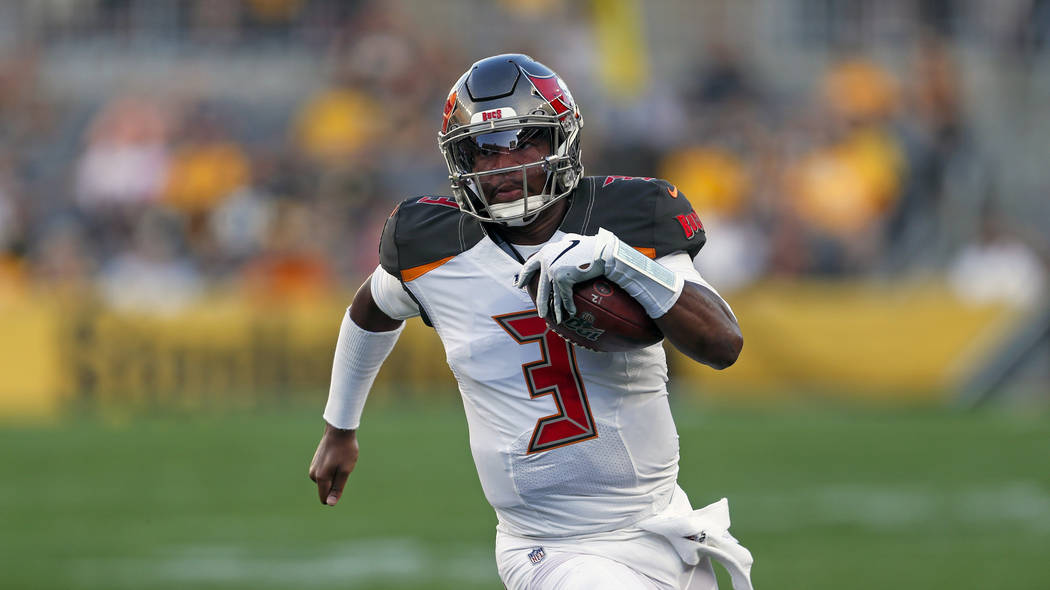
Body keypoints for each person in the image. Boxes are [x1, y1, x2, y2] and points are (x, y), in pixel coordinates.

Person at [309, 54, 754, 590]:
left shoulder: (629, 217)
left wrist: (619, 261)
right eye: (484, 150)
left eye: (523, 141)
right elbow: (370, 310)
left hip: (662, 524)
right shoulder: (432, 246)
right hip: (552, 546)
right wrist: (340, 427)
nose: (503, 167)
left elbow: (722, 344)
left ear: (560, 140)